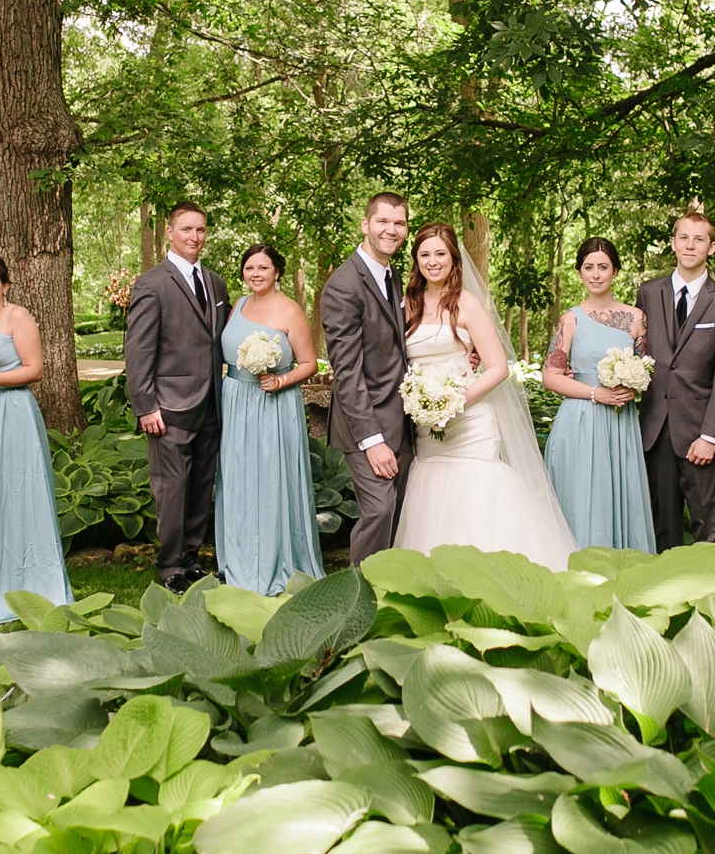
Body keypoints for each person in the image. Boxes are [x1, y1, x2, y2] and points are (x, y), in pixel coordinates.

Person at [394, 223, 577, 569]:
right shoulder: (407, 305)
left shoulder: (466, 303)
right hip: (426, 428)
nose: (433, 262)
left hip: (469, 424)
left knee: (475, 497)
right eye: (425, 255)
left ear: (454, 259)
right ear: (416, 260)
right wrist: (423, 404)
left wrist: (454, 402)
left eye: (440, 254)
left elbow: (497, 367)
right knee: (432, 493)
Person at [0, 252, 73, 626]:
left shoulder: (17, 316)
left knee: (20, 494)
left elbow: (35, 370)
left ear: (5, 286)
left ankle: (35, 583)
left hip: (13, 413)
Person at [123, 201, 230, 592]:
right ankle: (169, 566)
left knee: (202, 485)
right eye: (186, 229)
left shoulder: (216, 283)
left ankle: (190, 558)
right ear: (170, 233)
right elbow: (137, 351)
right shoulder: (152, 283)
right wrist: (146, 405)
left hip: (210, 404)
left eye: (200, 230)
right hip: (169, 405)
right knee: (172, 487)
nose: (194, 237)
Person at [215, 242, 323, 594]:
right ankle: (238, 558)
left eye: (263, 268)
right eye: (249, 268)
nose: (256, 274)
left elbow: (309, 364)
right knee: (238, 480)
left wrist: (280, 380)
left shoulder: (290, 310)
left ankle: (277, 560)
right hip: (235, 402)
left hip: (274, 405)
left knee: (271, 479)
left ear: (277, 272)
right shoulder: (239, 306)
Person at [635, 209, 715, 552]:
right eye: (684, 237)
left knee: (706, 526)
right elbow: (637, 355)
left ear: (711, 248)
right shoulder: (648, 294)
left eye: (699, 239)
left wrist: (711, 436)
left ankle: (710, 596)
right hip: (656, 428)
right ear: (673, 243)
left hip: (700, 432)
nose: (690, 245)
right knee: (661, 524)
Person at [541, 241, 655, 555]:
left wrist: (632, 386)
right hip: (580, 422)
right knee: (582, 499)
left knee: (618, 496)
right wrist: (596, 393)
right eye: (589, 267)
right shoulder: (570, 320)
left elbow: (646, 368)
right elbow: (550, 377)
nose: (596, 274)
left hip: (620, 424)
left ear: (615, 271)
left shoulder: (635, 319)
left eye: (603, 267)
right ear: (579, 272)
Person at [320, 193, 415, 565]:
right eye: (383, 222)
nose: (391, 230)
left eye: (399, 223)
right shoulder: (344, 285)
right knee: (378, 510)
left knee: (401, 510)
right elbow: (346, 371)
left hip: (402, 418)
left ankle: (388, 594)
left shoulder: (392, 275)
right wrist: (372, 440)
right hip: (366, 422)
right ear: (365, 224)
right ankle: (359, 596)